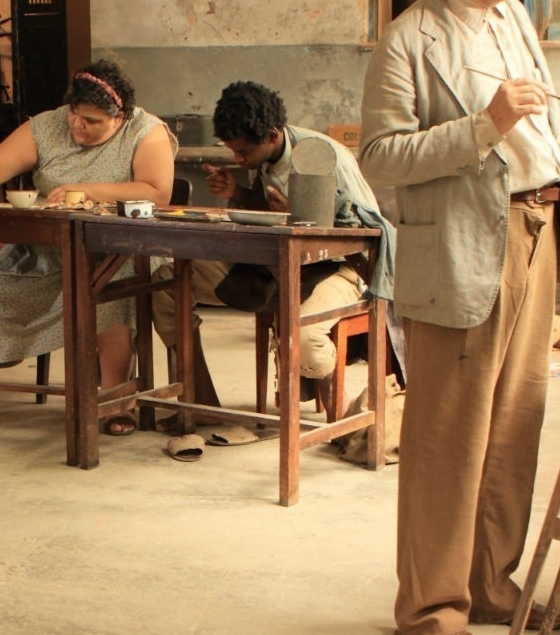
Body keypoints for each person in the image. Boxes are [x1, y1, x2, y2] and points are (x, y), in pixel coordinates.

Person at [359, 0, 560, 635]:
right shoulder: (407, 39)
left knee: (516, 419)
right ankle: (431, 610)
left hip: (535, 232)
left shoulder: (513, 18)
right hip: (463, 247)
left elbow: (533, 122)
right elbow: (382, 158)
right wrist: (483, 125)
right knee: (447, 437)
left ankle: (492, 580)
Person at [0, 60, 176, 434]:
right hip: (46, 245)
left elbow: (157, 192)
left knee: (106, 299)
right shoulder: (47, 125)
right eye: (75, 114)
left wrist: (88, 190)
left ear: (119, 117)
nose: (78, 125)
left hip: (114, 248)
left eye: (91, 121)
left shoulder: (145, 131)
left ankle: (114, 401)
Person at [150, 81, 396, 409]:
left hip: (342, 268)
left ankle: (342, 405)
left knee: (305, 340)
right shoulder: (265, 158)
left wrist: (300, 219)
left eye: (244, 152)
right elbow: (266, 211)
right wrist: (237, 192)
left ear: (271, 135)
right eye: (232, 150)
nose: (237, 158)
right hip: (275, 265)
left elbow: (367, 232)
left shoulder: (322, 156)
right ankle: (203, 406)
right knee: (168, 283)